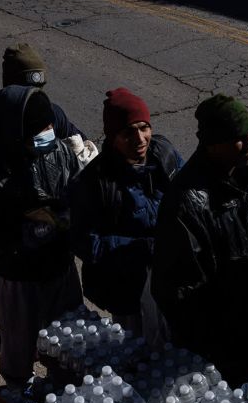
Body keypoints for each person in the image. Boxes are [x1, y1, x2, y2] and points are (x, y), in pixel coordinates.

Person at [0, 86, 83, 400]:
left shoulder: (60, 153)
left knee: (69, 337)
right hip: (19, 278)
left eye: (49, 126)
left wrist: (64, 218)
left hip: (61, 269)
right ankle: (17, 388)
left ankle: (64, 380)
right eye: (38, 130)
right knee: (19, 339)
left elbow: (78, 195)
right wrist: (17, 241)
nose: (48, 134)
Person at [151, 94, 248, 384]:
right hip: (222, 342)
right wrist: (216, 342)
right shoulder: (185, 202)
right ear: (212, 145)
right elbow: (176, 292)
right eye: (239, 137)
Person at [70, 88, 182, 336]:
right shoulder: (95, 183)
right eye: (128, 132)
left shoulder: (164, 156)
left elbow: (190, 195)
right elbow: (85, 243)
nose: (140, 138)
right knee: (137, 354)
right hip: (126, 288)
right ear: (112, 137)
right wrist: (140, 249)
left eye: (144, 128)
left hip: (170, 278)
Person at [1, 42, 83, 139]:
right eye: (28, 89)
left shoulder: (54, 114)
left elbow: (82, 142)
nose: (36, 96)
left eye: (39, 87)